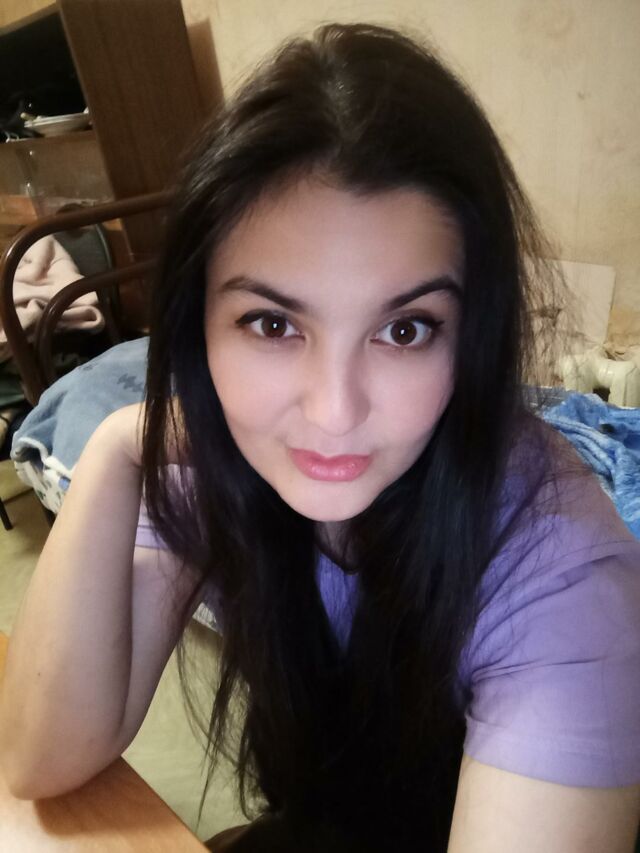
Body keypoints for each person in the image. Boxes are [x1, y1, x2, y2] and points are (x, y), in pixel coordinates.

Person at [1, 22, 639, 853]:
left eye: (405, 329)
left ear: (472, 338)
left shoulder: (561, 580)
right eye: (272, 323)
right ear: (198, 327)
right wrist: (123, 445)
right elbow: (43, 758)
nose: (335, 412)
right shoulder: (217, 464)